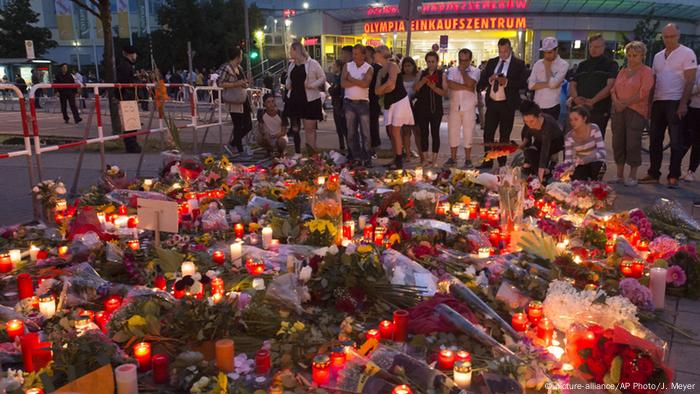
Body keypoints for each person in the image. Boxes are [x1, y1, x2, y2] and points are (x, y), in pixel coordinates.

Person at [640, 23, 698, 188]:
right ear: (662, 37)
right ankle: (653, 173)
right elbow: (654, 80)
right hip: (658, 101)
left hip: (675, 101)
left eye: (672, 36)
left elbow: (690, 80)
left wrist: (682, 104)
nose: (669, 39)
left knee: (676, 142)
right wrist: (650, 104)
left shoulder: (687, 53)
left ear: (678, 36)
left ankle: (673, 176)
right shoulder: (658, 56)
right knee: (655, 141)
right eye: (666, 36)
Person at [477, 38, 527, 169]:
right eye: (500, 51)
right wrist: (490, 79)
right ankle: (487, 161)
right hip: (492, 102)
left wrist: (507, 82)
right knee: (488, 133)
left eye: (505, 51)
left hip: (507, 103)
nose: (502, 54)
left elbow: (523, 83)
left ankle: (502, 162)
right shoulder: (492, 62)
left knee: (504, 135)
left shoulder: (518, 64)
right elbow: (482, 81)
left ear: (510, 49)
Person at [610, 41, 654, 187]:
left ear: (642, 55)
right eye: (629, 55)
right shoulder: (622, 70)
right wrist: (616, 102)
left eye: (635, 55)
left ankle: (633, 175)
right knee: (618, 142)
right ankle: (619, 174)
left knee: (633, 143)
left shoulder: (647, 71)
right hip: (618, 111)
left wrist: (625, 103)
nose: (631, 58)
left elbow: (644, 92)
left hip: (636, 111)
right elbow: (613, 89)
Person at [569, 34, 618, 138]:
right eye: (591, 46)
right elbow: (573, 84)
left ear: (603, 47)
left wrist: (593, 101)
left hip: (599, 110)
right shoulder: (582, 65)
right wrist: (575, 98)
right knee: (577, 140)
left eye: (596, 47)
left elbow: (610, 86)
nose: (593, 49)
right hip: (579, 109)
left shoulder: (610, 64)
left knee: (595, 141)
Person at [375, 45, 414, 169]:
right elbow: (377, 91)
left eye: (375, 53)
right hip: (389, 102)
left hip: (399, 101)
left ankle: (399, 161)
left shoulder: (393, 66)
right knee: (391, 131)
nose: (374, 56)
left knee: (396, 131)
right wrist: (384, 88)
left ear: (381, 54)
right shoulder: (380, 71)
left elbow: (392, 84)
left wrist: (383, 88)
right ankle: (396, 157)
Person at [285, 41, 326, 153]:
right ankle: (297, 152)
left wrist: (312, 85)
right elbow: (288, 78)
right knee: (295, 128)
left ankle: (312, 153)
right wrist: (288, 84)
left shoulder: (312, 63)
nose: (289, 53)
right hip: (294, 98)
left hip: (310, 99)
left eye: (291, 50)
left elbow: (322, 77)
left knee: (309, 128)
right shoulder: (292, 64)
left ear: (296, 50)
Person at [446, 48, 480, 168]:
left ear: (470, 60)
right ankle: (453, 158)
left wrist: (464, 72)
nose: (462, 63)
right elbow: (450, 84)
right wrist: (466, 87)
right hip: (455, 106)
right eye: (461, 60)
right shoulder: (451, 70)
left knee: (468, 132)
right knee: (453, 132)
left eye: (465, 60)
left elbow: (471, 83)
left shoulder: (475, 71)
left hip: (468, 106)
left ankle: (468, 159)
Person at [217, 45, 253, 157]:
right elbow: (220, 83)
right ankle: (239, 149)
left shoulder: (240, 68)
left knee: (248, 125)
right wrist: (235, 84)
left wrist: (245, 83)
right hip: (233, 99)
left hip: (243, 98)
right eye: (241, 55)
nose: (242, 57)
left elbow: (243, 82)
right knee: (237, 124)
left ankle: (233, 144)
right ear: (237, 56)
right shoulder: (226, 68)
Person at [342, 44, 374, 166]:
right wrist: (358, 82)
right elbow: (343, 83)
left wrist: (351, 79)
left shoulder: (368, 68)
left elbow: (366, 84)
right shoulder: (348, 66)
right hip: (349, 102)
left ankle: (367, 157)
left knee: (365, 133)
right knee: (351, 132)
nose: (354, 56)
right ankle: (355, 156)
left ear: (363, 55)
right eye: (353, 54)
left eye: (356, 54)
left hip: (363, 103)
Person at [518, 100, 564, 180]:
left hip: (555, 142)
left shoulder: (547, 126)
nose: (529, 124)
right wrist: (523, 143)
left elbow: (544, 152)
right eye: (526, 121)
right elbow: (529, 132)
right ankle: (543, 171)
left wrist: (540, 172)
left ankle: (545, 174)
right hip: (540, 140)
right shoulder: (529, 122)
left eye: (531, 121)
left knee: (540, 162)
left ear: (539, 116)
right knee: (528, 153)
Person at [414, 51, 446, 166]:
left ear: (437, 62)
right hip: (423, 108)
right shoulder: (421, 74)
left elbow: (444, 92)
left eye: (433, 61)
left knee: (435, 132)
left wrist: (434, 88)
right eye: (429, 62)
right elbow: (415, 88)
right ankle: (425, 158)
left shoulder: (442, 75)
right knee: (424, 133)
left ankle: (434, 159)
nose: (431, 64)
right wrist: (423, 81)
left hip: (436, 109)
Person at [528, 37, 569, 121]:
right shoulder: (538, 64)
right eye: (545, 52)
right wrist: (548, 84)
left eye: (549, 52)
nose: (547, 55)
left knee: (549, 132)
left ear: (556, 50)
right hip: (537, 105)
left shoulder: (563, 64)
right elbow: (531, 85)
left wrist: (547, 67)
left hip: (552, 106)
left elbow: (553, 84)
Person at [564, 106, 607, 181]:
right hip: (580, 164)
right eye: (571, 120)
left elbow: (602, 152)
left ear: (584, 118)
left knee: (596, 167)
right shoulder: (569, 137)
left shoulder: (594, 128)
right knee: (575, 180)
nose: (573, 122)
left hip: (595, 161)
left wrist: (585, 159)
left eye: (576, 119)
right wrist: (564, 169)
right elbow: (568, 159)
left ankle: (596, 183)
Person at [116, 46, 141, 152]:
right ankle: (131, 145)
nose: (136, 56)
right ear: (130, 54)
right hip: (127, 96)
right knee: (130, 122)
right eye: (134, 53)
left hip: (130, 96)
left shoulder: (129, 65)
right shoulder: (125, 66)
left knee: (132, 122)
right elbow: (125, 81)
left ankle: (133, 144)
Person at [400, 56, 422, 164]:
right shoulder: (400, 77)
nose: (407, 68)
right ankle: (407, 155)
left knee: (417, 131)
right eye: (405, 66)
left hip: (414, 106)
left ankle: (421, 154)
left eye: (409, 65)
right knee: (405, 132)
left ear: (413, 66)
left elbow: (416, 89)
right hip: (403, 106)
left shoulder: (417, 76)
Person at [682, 65, 700, 182]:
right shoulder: (696, 69)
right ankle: (675, 168)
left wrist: (692, 90)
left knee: (698, 142)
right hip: (692, 108)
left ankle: (691, 171)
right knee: (685, 139)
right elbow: (687, 86)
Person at [256, 93, 288, 158]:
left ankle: (280, 151)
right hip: (268, 135)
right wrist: (264, 133)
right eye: (268, 102)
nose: (271, 104)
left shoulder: (281, 114)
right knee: (259, 138)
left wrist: (275, 136)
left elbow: (284, 131)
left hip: (279, 135)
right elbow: (260, 125)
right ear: (264, 104)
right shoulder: (261, 113)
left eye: (272, 101)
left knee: (281, 141)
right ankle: (269, 150)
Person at [365, 46, 382, 151]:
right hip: (363, 99)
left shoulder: (377, 68)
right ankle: (367, 144)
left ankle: (375, 144)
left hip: (374, 99)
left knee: (373, 123)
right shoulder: (362, 67)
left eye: (365, 54)